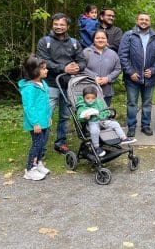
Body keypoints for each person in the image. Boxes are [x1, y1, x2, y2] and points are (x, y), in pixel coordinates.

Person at [36, 13, 86, 154]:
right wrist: (64, 68)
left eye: (62, 24)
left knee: (65, 116)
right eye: (56, 24)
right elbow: (43, 61)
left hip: (68, 85)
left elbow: (82, 60)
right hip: (50, 84)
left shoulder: (74, 43)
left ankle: (60, 143)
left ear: (68, 26)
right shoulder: (44, 41)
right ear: (52, 25)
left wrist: (78, 67)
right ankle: (40, 148)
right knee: (46, 116)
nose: (59, 27)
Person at [119, 12, 155, 137]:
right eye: (141, 19)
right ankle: (131, 126)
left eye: (146, 20)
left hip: (149, 78)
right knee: (132, 103)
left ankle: (145, 126)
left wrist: (153, 70)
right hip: (132, 77)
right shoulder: (129, 35)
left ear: (150, 22)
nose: (144, 21)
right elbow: (123, 56)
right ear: (137, 20)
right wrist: (130, 72)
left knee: (147, 103)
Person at [76, 86, 136, 157]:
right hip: (91, 123)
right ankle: (96, 147)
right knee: (95, 131)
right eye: (88, 98)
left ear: (96, 97)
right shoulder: (82, 106)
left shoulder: (98, 103)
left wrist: (103, 114)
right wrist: (86, 118)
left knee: (115, 124)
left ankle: (123, 138)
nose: (90, 100)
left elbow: (105, 112)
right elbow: (79, 117)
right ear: (84, 98)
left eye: (93, 98)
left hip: (102, 121)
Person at [19, 55, 52, 181]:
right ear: (35, 71)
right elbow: (29, 107)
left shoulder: (43, 84)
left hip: (44, 121)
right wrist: (35, 123)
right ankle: (30, 169)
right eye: (43, 69)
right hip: (36, 123)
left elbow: (46, 104)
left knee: (42, 144)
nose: (46, 70)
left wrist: (48, 117)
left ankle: (38, 163)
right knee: (37, 144)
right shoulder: (29, 88)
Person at [82, 30, 122, 106]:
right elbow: (81, 68)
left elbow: (118, 69)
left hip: (107, 91)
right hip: (89, 91)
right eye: (97, 38)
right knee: (90, 114)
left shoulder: (113, 54)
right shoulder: (86, 52)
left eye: (103, 38)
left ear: (107, 39)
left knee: (105, 113)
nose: (100, 40)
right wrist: (94, 77)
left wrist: (108, 78)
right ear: (93, 39)